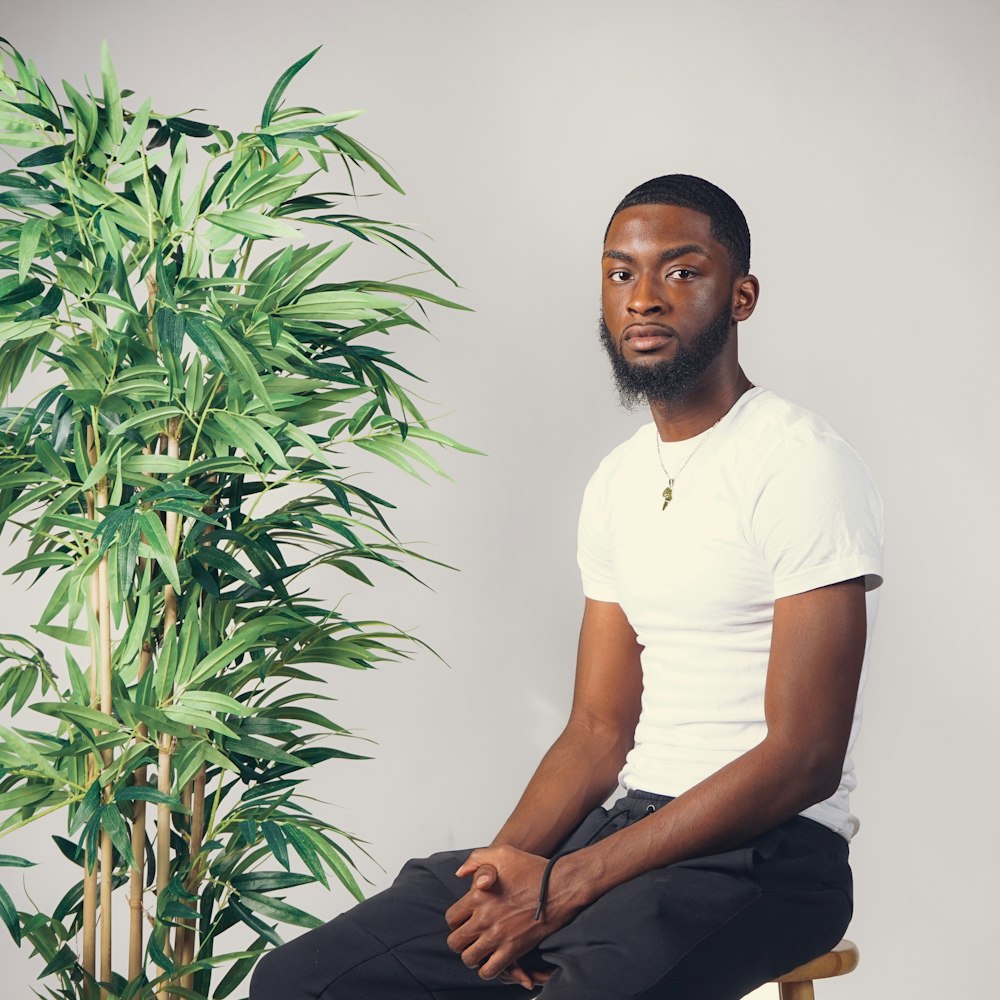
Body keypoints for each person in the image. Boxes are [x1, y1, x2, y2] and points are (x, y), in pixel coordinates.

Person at [249, 174, 884, 1000]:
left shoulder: (800, 462)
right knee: (304, 981)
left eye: (681, 272)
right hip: (626, 825)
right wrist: (502, 878)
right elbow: (595, 729)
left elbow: (804, 758)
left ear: (742, 296)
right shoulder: (616, 482)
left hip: (768, 855)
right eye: (621, 274)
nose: (644, 299)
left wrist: (572, 883)